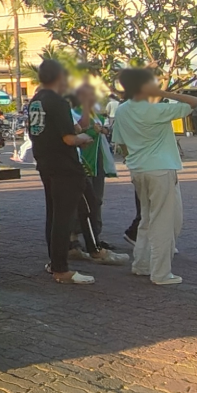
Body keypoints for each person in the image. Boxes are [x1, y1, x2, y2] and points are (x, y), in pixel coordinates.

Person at [110, 68, 197, 286]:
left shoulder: (122, 110)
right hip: (161, 168)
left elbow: (121, 143)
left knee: (147, 218)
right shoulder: (156, 110)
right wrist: (165, 93)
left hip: (138, 168)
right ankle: (161, 273)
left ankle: (142, 264)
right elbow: (196, 103)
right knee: (164, 221)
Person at [26, 58, 96, 285]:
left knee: (54, 215)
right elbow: (70, 137)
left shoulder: (36, 101)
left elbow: (74, 126)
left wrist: (85, 107)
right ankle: (61, 268)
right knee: (67, 217)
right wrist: (84, 140)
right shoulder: (57, 102)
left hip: (46, 164)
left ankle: (54, 262)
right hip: (65, 167)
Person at [70, 83, 127, 265]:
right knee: (83, 201)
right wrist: (92, 129)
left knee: (97, 200)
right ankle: (75, 240)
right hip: (85, 160)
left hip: (98, 159)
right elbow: (78, 129)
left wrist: (102, 130)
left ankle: (95, 236)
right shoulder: (73, 110)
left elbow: (99, 128)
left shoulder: (94, 110)